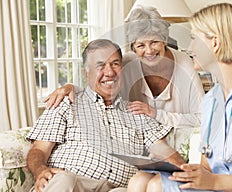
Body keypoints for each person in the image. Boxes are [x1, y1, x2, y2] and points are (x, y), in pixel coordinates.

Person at [127, 2, 232, 192]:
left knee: (157, 186)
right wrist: (185, 170)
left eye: (193, 39)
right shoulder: (212, 99)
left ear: (214, 43)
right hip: (219, 186)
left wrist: (215, 182)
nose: (189, 48)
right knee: (140, 180)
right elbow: (208, 167)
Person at [44, 5, 205, 161]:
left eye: (154, 42)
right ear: (133, 47)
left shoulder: (185, 66)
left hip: (173, 146)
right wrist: (71, 88)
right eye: (141, 45)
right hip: (138, 148)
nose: (149, 51)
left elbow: (203, 118)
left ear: (164, 39)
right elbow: (99, 89)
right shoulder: (126, 62)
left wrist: (157, 114)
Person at [26, 39, 185, 192]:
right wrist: (40, 170)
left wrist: (183, 170)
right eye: (100, 65)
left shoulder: (138, 113)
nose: (109, 72)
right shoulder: (65, 102)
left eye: (115, 64)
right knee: (63, 180)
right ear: (86, 73)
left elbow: (162, 149)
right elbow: (39, 150)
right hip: (72, 183)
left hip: (116, 188)